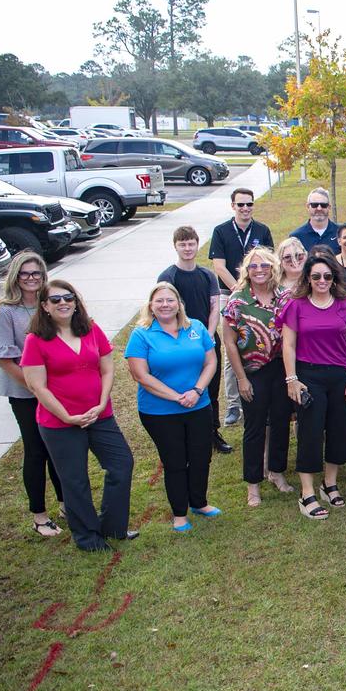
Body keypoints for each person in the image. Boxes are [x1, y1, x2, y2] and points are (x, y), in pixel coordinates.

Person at [21, 280, 135, 552]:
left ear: (76, 301)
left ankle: (113, 527)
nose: (63, 303)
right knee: (74, 480)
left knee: (121, 464)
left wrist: (101, 402)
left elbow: (107, 369)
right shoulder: (36, 340)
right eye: (56, 300)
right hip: (60, 423)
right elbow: (37, 386)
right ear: (45, 307)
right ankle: (87, 538)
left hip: (100, 415)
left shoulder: (91, 329)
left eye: (68, 298)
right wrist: (67, 416)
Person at [125, 283, 219, 532]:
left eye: (170, 300)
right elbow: (141, 375)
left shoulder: (196, 327)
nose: (165, 305)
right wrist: (178, 397)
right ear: (151, 306)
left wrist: (197, 391)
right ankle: (180, 514)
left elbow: (211, 362)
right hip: (160, 412)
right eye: (159, 301)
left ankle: (199, 502)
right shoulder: (142, 334)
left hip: (199, 405)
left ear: (179, 304)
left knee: (201, 457)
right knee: (175, 461)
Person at [0, 251, 64, 536]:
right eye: (25, 274)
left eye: (37, 274)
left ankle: (66, 503)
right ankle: (40, 516)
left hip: (54, 391)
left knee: (59, 447)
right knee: (36, 449)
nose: (31, 279)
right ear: (16, 277)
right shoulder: (6, 311)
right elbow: (5, 360)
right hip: (24, 393)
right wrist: (36, 387)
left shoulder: (50, 304)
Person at [280, 255, 346, 519]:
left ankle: (330, 483)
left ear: (335, 277)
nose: (322, 281)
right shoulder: (296, 306)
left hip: (341, 376)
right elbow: (288, 345)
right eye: (316, 276)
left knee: (339, 431)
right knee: (311, 433)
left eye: (327, 276)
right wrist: (291, 379)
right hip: (308, 376)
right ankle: (307, 493)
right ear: (308, 279)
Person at [222, 247, 294, 507]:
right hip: (252, 371)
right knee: (254, 427)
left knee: (280, 422)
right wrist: (241, 379)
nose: (259, 270)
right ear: (246, 271)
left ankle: (276, 472)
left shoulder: (284, 297)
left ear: (273, 268)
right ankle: (253, 484)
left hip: (280, 367)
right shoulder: (238, 300)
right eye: (254, 266)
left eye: (264, 265)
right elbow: (229, 343)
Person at [160, 225, 232, 454]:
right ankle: (185, 433)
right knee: (185, 386)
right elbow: (164, 310)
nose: (187, 248)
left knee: (211, 388)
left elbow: (214, 306)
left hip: (207, 340)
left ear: (197, 244)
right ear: (176, 246)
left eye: (191, 243)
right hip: (179, 344)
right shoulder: (168, 276)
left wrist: (208, 335)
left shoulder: (207, 275)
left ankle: (212, 433)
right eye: (183, 244)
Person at [209, 188, 275, 427]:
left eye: (249, 204)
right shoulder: (221, 231)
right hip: (232, 294)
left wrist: (253, 289)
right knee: (232, 352)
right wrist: (241, 290)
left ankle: (263, 395)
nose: (245, 209)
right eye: (241, 205)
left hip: (259, 294)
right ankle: (234, 405)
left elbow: (269, 264)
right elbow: (219, 266)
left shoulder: (262, 231)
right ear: (233, 206)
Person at [289, 187, 341, 254]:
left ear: (329, 207)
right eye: (314, 205)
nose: (319, 208)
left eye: (323, 205)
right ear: (308, 207)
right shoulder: (296, 238)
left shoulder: (341, 233)